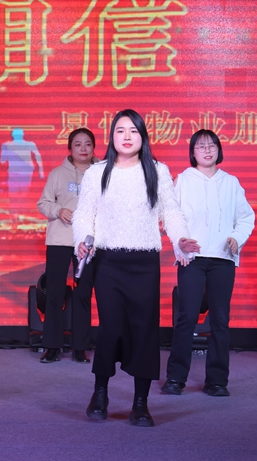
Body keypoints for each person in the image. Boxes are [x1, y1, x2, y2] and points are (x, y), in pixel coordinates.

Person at [72, 109, 198, 427]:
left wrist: (180, 240)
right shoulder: (97, 172)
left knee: (144, 330)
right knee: (110, 328)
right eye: (120, 131)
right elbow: (84, 213)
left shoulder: (157, 170)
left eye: (133, 131)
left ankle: (140, 403)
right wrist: (82, 241)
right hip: (107, 262)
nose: (127, 136)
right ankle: (100, 393)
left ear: (143, 136)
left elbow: (171, 212)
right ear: (112, 136)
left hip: (144, 264)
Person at [162, 130, 255, 397]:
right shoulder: (183, 180)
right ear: (192, 152)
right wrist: (180, 242)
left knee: (220, 320)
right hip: (192, 258)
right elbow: (171, 216)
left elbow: (245, 217)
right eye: (200, 147)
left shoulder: (231, 182)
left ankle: (217, 380)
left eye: (211, 145)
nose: (207, 150)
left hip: (222, 259)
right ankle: (176, 378)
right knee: (187, 317)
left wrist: (237, 238)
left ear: (219, 150)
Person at [36, 128, 98, 364]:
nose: (83, 149)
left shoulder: (102, 173)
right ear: (70, 148)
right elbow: (43, 203)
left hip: (88, 242)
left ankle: (80, 346)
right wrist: (58, 210)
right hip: (60, 240)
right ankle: (52, 346)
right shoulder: (57, 174)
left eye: (87, 144)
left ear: (93, 147)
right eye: (78, 144)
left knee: (83, 293)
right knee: (55, 293)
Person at [0, 128, 44, 230]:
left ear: (13, 135)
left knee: (14, 196)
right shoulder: (30, 144)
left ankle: (16, 217)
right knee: (22, 194)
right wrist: (41, 171)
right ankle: (17, 217)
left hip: (15, 173)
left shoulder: (6, 145)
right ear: (22, 135)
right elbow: (38, 156)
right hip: (25, 173)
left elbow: (2, 160)